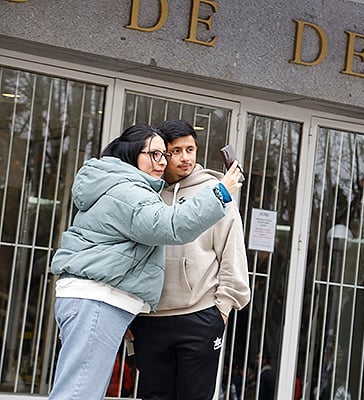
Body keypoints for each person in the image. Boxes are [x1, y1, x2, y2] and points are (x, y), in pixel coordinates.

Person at [48, 123, 242, 400]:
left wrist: (222, 308)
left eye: (166, 154)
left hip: (115, 304)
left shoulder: (122, 185)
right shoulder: (129, 191)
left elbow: (231, 253)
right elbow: (170, 226)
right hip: (100, 301)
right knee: (79, 392)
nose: (164, 161)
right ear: (131, 153)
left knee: (83, 390)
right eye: (157, 154)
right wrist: (222, 193)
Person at [130, 119, 251, 400]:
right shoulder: (147, 193)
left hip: (200, 315)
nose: (185, 158)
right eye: (176, 151)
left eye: (190, 149)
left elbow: (232, 251)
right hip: (150, 318)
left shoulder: (215, 192)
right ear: (162, 154)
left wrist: (222, 309)